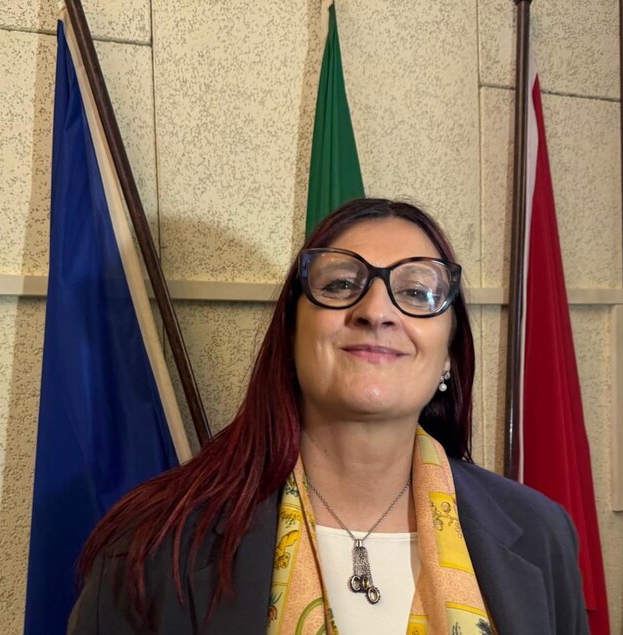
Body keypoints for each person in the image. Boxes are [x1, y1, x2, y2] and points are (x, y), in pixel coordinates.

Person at [68, 198, 588, 634]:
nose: (376, 312)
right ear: (292, 333)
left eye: (415, 291)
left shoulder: (541, 534)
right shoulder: (154, 544)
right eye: (341, 284)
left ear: (450, 352)